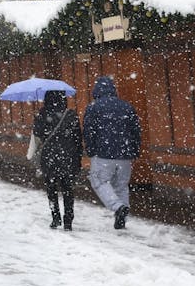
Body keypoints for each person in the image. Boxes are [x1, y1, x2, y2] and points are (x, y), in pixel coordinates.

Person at [83, 75, 142, 230]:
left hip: (103, 154)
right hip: (125, 154)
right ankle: (122, 214)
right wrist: (135, 150)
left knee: (99, 181)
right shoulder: (127, 107)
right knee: (121, 185)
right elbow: (135, 131)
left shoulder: (93, 107)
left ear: (96, 91)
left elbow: (89, 131)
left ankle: (118, 207)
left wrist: (90, 149)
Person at [31, 89, 82, 230]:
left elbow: (38, 135)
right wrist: (78, 158)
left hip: (49, 157)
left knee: (51, 189)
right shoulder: (71, 115)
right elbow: (78, 139)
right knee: (67, 189)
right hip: (68, 157)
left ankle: (55, 217)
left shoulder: (42, 114)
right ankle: (68, 220)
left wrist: (38, 118)